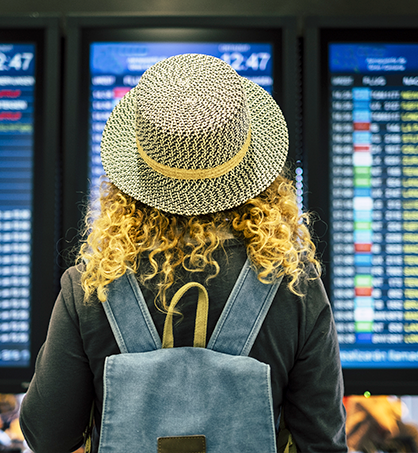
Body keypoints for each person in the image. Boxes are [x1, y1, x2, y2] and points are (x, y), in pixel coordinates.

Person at [20, 53, 346, 452]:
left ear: (131, 180)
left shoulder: (91, 287)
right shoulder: (295, 289)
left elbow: (47, 434)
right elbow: (323, 442)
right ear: (256, 173)